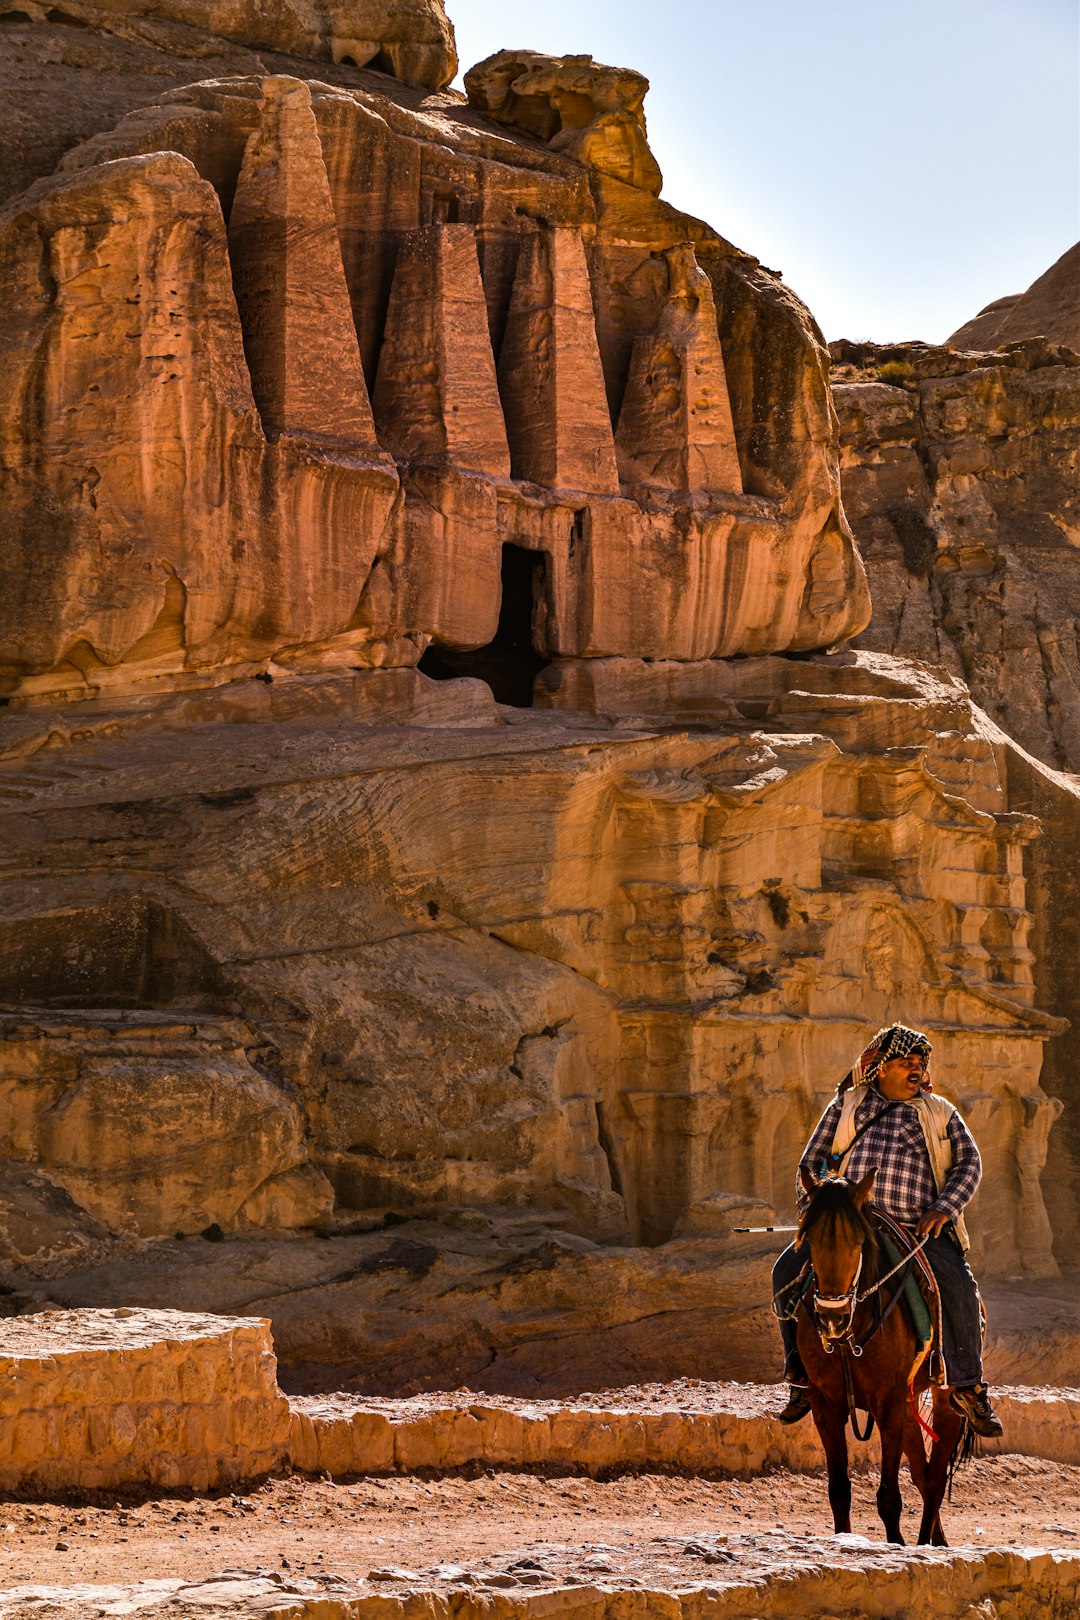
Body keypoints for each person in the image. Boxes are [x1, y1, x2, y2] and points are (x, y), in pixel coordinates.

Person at [770, 1023, 1004, 1438]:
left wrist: (943, 1209)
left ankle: (968, 1386)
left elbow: (971, 1164)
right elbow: (813, 1162)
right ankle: (800, 1377)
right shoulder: (846, 1106)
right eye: (904, 1063)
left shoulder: (940, 1112)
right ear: (879, 1068)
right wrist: (819, 1206)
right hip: (851, 1222)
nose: (915, 1070)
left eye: (919, 1063)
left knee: (958, 1286)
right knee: (785, 1271)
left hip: (917, 1228)